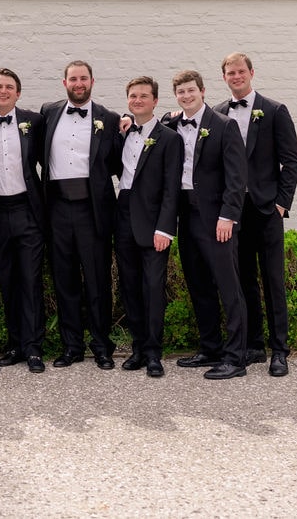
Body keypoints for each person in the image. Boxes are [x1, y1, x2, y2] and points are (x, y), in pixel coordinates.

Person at [214, 52, 297, 377]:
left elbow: (291, 160)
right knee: (245, 278)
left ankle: (280, 351)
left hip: (266, 208)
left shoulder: (275, 110)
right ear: (223, 77)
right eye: (230, 73)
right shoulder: (219, 113)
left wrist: (281, 203)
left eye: (240, 72)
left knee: (273, 280)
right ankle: (254, 346)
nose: (236, 77)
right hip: (234, 211)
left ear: (251, 73)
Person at [163, 70, 248, 379]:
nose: (186, 96)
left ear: (202, 91)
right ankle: (210, 347)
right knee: (198, 284)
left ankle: (236, 357)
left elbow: (237, 177)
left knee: (229, 287)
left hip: (216, 219)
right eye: (181, 92)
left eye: (190, 91)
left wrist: (228, 216)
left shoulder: (225, 126)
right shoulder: (172, 123)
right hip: (186, 216)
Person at [40, 60, 121, 369]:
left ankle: (102, 346)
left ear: (92, 81)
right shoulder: (49, 113)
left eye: (83, 78)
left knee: (98, 281)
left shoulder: (109, 118)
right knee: (65, 280)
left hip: (92, 210)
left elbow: (116, 161)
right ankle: (71, 346)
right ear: (65, 83)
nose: (78, 83)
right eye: (73, 79)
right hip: (57, 209)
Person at [0, 68, 47, 373]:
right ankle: (15, 345)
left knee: (30, 280)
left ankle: (33, 348)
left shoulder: (35, 122)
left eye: (9, 87)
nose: (4, 91)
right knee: (7, 282)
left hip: (28, 210)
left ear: (18, 93)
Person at [114, 77, 182, 378]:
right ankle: (139, 349)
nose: (138, 100)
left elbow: (172, 188)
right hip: (123, 214)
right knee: (129, 287)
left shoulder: (169, 138)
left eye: (144, 96)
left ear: (155, 101)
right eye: (133, 96)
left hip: (154, 221)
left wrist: (165, 228)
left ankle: (155, 353)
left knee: (153, 288)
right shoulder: (123, 133)